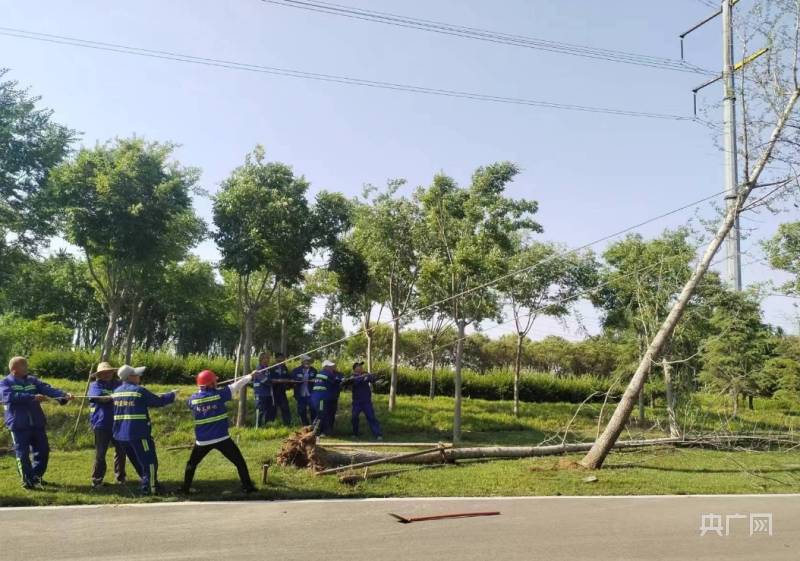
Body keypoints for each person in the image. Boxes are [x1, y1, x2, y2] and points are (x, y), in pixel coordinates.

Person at [0, 356, 73, 489]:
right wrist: (32, 397)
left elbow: (47, 389)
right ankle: (27, 481)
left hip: (37, 423)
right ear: (14, 370)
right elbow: (9, 397)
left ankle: (36, 476)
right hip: (18, 424)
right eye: (24, 366)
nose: (27, 368)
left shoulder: (32, 380)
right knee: (22, 454)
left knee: (43, 451)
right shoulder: (5, 383)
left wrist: (63, 396)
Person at [181, 369, 257, 495]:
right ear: (210, 384)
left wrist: (203, 391)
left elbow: (191, 402)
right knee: (239, 462)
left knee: (191, 464)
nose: (217, 383)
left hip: (202, 441)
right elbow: (236, 386)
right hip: (222, 439)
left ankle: (185, 489)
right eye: (215, 382)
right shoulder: (219, 395)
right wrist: (250, 376)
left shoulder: (192, 400)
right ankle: (248, 487)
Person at [112, 364, 177, 496]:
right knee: (150, 462)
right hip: (138, 433)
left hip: (121, 436)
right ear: (130, 377)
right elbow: (158, 401)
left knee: (138, 462)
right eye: (137, 375)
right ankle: (151, 488)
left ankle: (147, 482)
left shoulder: (117, 392)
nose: (139, 377)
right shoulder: (139, 391)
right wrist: (172, 395)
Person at [88, 361, 137, 488]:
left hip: (119, 423)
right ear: (98, 375)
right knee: (100, 453)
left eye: (108, 372)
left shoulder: (118, 383)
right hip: (101, 424)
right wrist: (115, 397)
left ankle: (120, 478)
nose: (106, 374)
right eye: (103, 373)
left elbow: (127, 394)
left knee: (121, 451)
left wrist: (114, 397)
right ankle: (97, 480)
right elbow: (99, 398)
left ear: (112, 373)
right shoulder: (95, 385)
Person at [347, 362, 383, 440]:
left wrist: (372, 377)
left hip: (367, 402)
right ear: (355, 369)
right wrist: (363, 377)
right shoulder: (352, 377)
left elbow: (372, 379)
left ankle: (378, 434)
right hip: (357, 402)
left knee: (371, 417)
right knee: (354, 417)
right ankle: (355, 434)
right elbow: (355, 382)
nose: (360, 367)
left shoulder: (366, 374)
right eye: (358, 366)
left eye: (361, 366)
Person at [310, 360, 343, 436]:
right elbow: (337, 380)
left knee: (324, 414)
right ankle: (315, 432)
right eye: (330, 366)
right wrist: (343, 380)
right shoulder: (326, 374)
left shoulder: (320, 374)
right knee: (321, 414)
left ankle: (325, 431)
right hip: (321, 398)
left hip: (321, 398)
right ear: (325, 367)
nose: (332, 368)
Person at [250, 353, 275, 428]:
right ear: (261, 359)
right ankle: (258, 427)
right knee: (260, 411)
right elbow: (265, 380)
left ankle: (266, 427)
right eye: (265, 358)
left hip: (268, 393)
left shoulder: (268, 369)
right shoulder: (259, 369)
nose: (267, 360)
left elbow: (269, 379)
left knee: (268, 411)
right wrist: (274, 381)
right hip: (260, 393)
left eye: (268, 358)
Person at [291, 355, 317, 426]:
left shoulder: (314, 370)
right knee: (301, 410)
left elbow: (317, 380)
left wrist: (314, 380)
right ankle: (305, 425)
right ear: (302, 362)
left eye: (309, 361)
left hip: (311, 394)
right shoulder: (296, 370)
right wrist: (298, 380)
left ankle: (314, 426)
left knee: (313, 410)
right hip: (300, 394)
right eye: (306, 361)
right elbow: (292, 380)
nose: (308, 362)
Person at [269, 352, 292, 425]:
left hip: (282, 391)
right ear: (276, 359)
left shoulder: (284, 368)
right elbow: (270, 379)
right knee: (273, 407)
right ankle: (270, 423)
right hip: (274, 391)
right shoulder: (272, 368)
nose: (282, 359)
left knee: (285, 407)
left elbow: (288, 377)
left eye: (283, 358)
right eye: (280, 358)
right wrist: (278, 380)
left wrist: (288, 383)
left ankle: (287, 423)